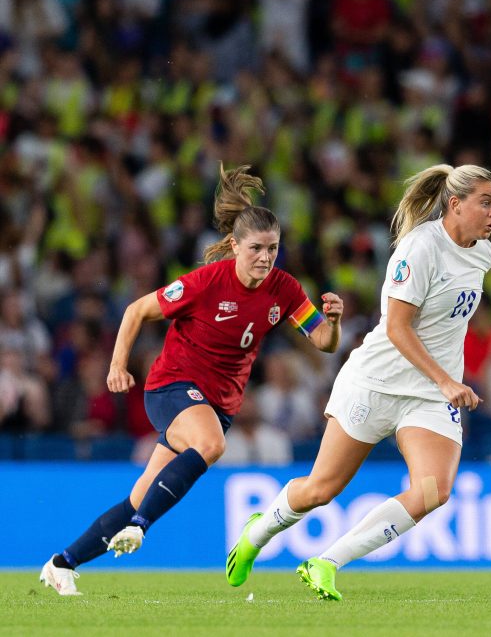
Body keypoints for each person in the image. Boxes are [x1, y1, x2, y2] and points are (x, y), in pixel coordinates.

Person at [39, 165, 344, 596]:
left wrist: (333, 322)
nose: (265, 258)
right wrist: (117, 365)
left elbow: (323, 342)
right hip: (171, 387)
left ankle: (61, 563)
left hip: (218, 404)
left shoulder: (285, 289)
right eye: (256, 248)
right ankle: (142, 529)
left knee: (136, 499)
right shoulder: (206, 282)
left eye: (273, 249)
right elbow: (135, 311)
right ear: (235, 246)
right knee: (211, 446)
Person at [225, 163, 491, 599]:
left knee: (434, 491)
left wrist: (443, 383)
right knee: (321, 490)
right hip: (376, 382)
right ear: (455, 204)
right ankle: (257, 533)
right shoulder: (419, 248)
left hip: (427, 395)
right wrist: (449, 381)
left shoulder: (483, 253)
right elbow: (397, 328)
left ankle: (326, 562)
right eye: (485, 202)